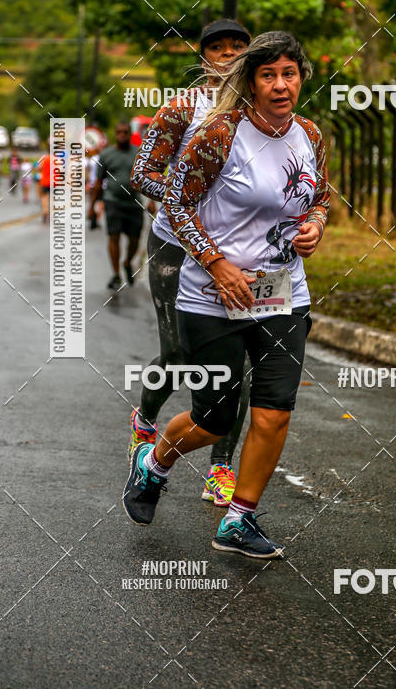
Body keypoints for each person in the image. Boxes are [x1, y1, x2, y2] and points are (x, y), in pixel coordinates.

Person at [123, 31, 330, 558]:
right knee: (214, 419)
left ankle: (239, 519)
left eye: (290, 73)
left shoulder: (309, 133)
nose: (281, 85)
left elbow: (319, 198)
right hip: (213, 295)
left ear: (301, 77)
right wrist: (216, 263)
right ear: (251, 82)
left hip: (283, 292)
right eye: (269, 75)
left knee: (274, 411)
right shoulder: (218, 132)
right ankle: (156, 462)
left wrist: (317, 224)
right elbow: (175, 203)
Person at [129, 19, 252, 508]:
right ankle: (145, 419)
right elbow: (143, 173)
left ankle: (220, 468)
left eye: (237, 47)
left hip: (238, 256)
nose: (227, 55)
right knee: (181, 357)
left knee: (234, 367)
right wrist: (187, 199)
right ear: (204, 58)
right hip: (176, 247)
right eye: (217, 49)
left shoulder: (262, 110)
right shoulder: (185, 107)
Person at [89, 122, 148, 291]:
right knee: (113, 236)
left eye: (125, 132)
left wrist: (151, 201)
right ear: (115, 134)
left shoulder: (138, 153)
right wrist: (92, 206)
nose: (122, 134)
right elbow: (99, 182)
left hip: (134, 202)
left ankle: (127, 262)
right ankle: (116, 274)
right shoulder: (106, 155)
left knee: (135, 239)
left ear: (130, 134)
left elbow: (148, 177)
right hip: (112, 201)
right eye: (119, 132)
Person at [38, 153, 51, 222]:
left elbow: (39, 168)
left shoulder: (44, 158)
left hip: (45, 181)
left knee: (44, 197)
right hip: (54, 182)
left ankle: (45, 211)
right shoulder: (57, 159)